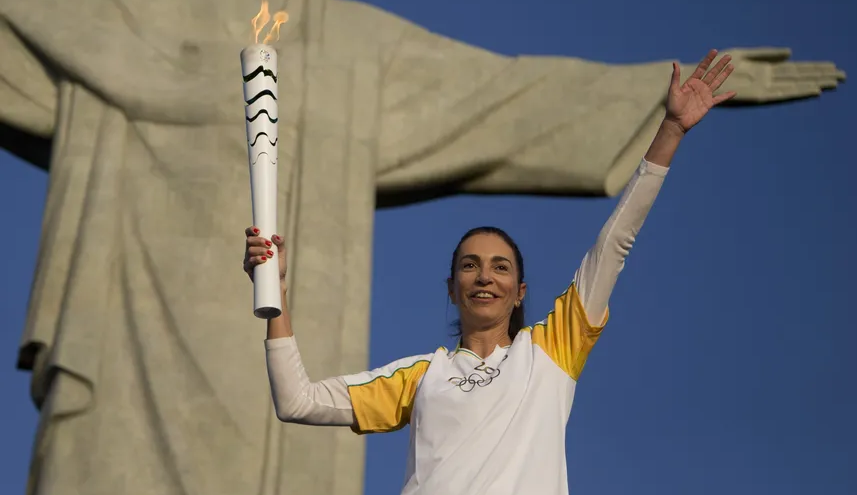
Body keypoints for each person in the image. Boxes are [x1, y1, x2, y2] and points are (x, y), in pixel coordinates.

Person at [243, 50, 736, 494]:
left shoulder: (552, 350)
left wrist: (670, 131)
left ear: (518, 291)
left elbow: (613, 245)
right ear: (452, 289)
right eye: (470, 266)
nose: (484, 277)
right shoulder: (421, 377)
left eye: (500, 268)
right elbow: (297, 401)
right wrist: (276, 291)